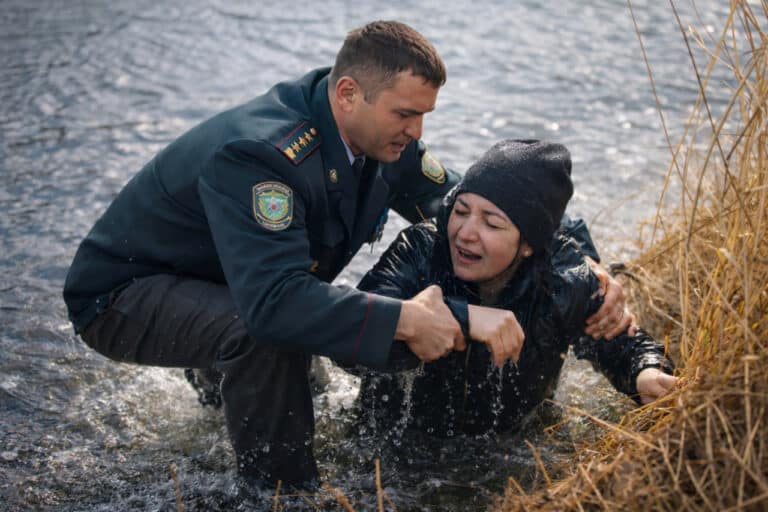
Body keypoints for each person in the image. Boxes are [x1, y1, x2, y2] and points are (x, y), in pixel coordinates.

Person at [62, 21, 631, 488]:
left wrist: (589, 268)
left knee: (298, 383)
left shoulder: (384, 141)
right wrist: (414, 316)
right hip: (124, 296)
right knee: (264, 337)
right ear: (348, 93)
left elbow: (482, 204)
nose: (417, 130)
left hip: (225, 284)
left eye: (425, 115)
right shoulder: (263, 156)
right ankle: (282, 496)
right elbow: (273, 305)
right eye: (406, 114)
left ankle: (221, 410)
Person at [354, 139, 677, 440]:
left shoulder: (564, 280)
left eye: (491, 224)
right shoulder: (420, 249)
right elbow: (353, 333)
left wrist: (645, 374)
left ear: (529, 245)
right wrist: (456, 316)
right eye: (461, 211)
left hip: (511, 444)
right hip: (396, 442)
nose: (465, 233)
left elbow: (625, 346)